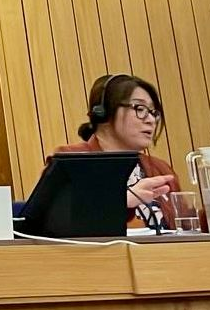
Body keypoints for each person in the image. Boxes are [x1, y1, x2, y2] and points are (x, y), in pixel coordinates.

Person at [53, 73, 177, 228]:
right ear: (104, 113)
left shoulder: (160, 168)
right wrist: (121, 201)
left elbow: (186, 227)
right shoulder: (71, 160)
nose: (151, 120)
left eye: (153, 113)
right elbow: (56, 222)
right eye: (140, 108)